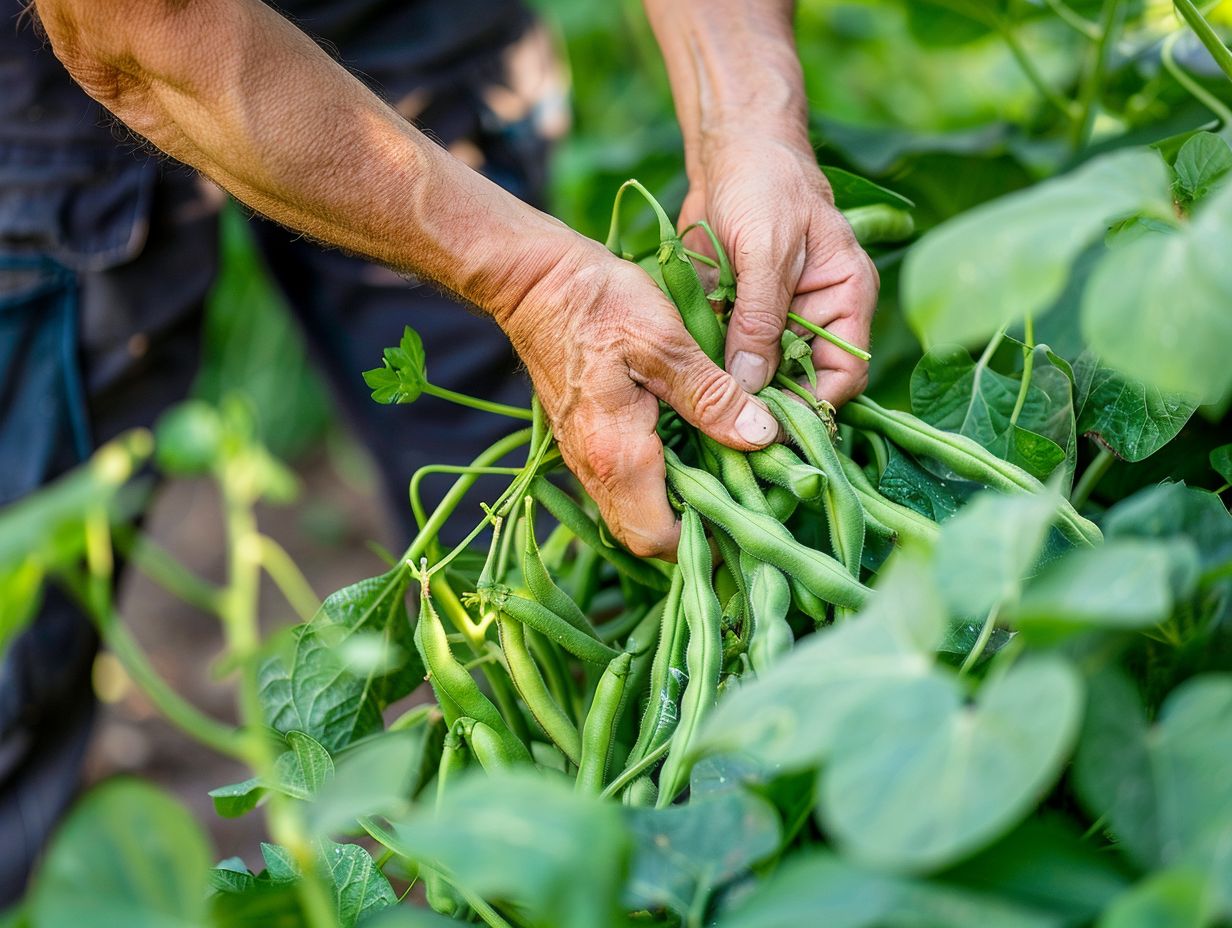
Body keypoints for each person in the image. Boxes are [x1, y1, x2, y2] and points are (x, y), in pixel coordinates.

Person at [0, 0, 877, 903]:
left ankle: (582, 868)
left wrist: (751, 123)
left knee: (562, 543)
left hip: (423, 19)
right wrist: (534, 277)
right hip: (58, 78)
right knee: (13, 628)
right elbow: (150, 32)